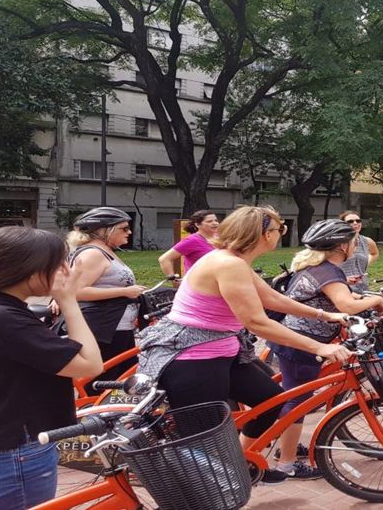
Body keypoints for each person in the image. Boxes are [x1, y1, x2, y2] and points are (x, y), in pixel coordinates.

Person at [136, 206, 353, 485]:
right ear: (264, 234)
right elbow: (256, 322)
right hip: (192, 358)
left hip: (224, 351)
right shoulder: (228, 264)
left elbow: (272, 298)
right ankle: (207, 485)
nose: (281, 234)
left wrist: (324, 314)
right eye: (279, 229)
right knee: (205, 436)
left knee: (269, 401)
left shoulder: (236, 260)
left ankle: (237, 466)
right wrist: (319, 347)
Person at [0, 227, 103, 509]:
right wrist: (69, 300)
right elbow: (90, 364)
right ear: (32, 271)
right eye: (60, 264)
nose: (67, 271)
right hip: (11, 451)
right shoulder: (2, 318)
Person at [269, 219, 383, 480]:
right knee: (297, 401)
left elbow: (328, 296)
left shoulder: (319, 267)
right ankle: (286, 464)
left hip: (295, 338)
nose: (356, 243)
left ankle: (284, 447)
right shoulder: (328, 271)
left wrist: (355, 297)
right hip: (303, 343)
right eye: (353, 241)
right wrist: (376, 300)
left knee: (293, 396)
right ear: (342, 245)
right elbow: (344, 303)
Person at [66, 207, 145, 383]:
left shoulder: (105, 252)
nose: (129, 232)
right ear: (104, 231)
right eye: (124, 228)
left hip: (117, 327)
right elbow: (76, 292)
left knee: (121, 379)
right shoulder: (92, 254)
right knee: (104, 381)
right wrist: (124, 292)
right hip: (104, 328)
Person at [158, 210, 220, 276]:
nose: (215, 223)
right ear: (197, 224)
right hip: (196, 283)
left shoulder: (221, 237)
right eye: (209, 221)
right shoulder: (192, 240)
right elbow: (164, 259)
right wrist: (172, 277)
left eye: (216, 220)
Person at [337, 210, 379, 293]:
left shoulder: (367, 241)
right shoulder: (337, 242)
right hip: (342, 287)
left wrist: (366, 262)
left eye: (358, 221)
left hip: (362, 288)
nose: (355, 223)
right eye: (350, 221)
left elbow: (375, 253)